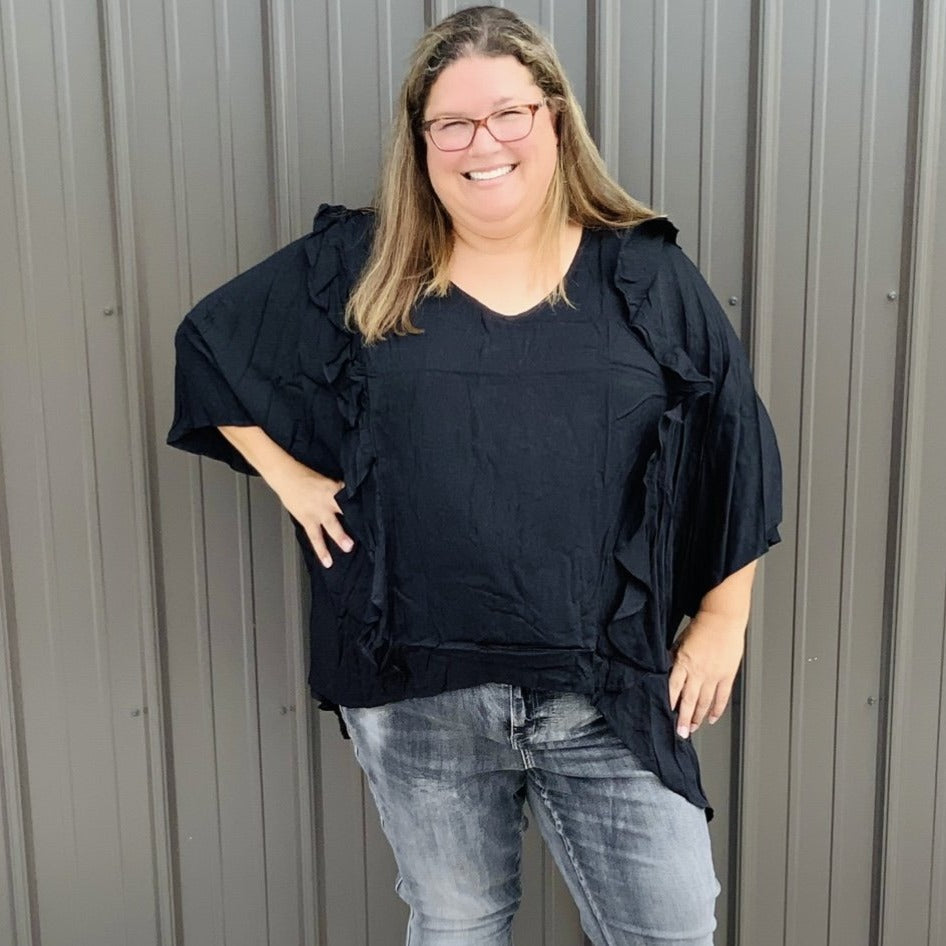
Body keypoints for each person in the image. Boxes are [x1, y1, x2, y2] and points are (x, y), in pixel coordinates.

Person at [167, 5, 781, 944]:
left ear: (554, 119)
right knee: (458, 926)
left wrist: (724, 619)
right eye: (451, 123)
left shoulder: (643, 274)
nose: (482, 144)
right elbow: (210, 346)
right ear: (421, 143)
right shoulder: (361, 264)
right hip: (420, 692)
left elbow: (730, 435)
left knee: (671, 928)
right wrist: (289, 479)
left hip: (606, 689)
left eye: (508, 114)